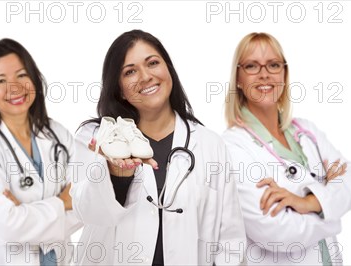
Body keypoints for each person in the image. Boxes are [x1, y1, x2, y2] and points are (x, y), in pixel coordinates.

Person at [71, 29, 246, 265]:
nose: (145, 76)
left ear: (168, 70)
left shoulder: (209, 144)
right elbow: (87, 212)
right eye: (130, 71)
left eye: (152, 63)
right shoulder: (95, 138)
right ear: (118, 88)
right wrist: (116, 175)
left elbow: (230, 241)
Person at [222, 32, 351, 265]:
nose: (265, 74)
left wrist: (309, 203)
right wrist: (331, 210)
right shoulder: (232, 147)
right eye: (252, 66)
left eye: (274, 65)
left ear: (284, 74)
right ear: (238, 77)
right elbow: (274, 230)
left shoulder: (307, 132)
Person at [0, 38, 82, 265]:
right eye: (1, 80)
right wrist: (62, 202)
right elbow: (7, 227)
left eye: (22, 75)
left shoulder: (57, 134)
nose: (14, 87)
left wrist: (25, 212)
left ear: (34, 78)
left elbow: (86, 204)